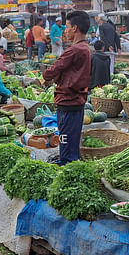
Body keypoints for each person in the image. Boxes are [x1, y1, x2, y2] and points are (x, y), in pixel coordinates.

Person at [43, 11, 91, 165]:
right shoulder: (85, 48)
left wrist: (49, 75)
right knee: (72, 140)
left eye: (68, 26)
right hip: (77, 101)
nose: (65, 30)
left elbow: (50, 72)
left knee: (65, 139)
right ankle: (71, 163)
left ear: (75, 28)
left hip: (68, 101)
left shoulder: (74, 50)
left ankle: (67, 167)